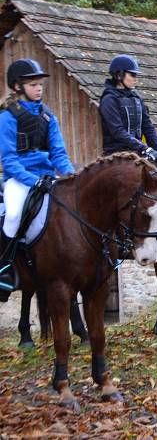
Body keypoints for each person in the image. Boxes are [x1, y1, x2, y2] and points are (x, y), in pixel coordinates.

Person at [0, 59, 75, 300]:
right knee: (12, 215)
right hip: (18, 179)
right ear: (17, 87)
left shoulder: (47, 116)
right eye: (33, 84)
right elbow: (9, 160)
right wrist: (33, 180)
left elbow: (58, 153)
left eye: (40, 84)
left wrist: (71, 175)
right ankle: (5, 271)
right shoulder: (7, 117)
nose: (39, 88)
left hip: (47, 177)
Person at [99, 55, 157, 160]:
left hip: (137, 154)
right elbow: (117, 131)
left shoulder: (137, 99)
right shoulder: (109, 100)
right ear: (119, 75)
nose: (135, 79)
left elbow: (148, 127)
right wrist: (144, 148)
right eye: (133, 75)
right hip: (116, 156)